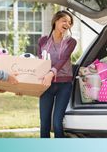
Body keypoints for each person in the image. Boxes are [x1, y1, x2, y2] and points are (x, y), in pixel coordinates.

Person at [37, 10, 77, 138]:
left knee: (57, 123)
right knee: (44, 124)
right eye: (64, 20)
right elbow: (39, 62)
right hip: (46, 85)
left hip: (64, 85)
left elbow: (62, 60)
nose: (67, 24)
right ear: (56, 21)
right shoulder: (43, 41)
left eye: (70, 23)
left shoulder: (71, 42)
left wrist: (51, 73)